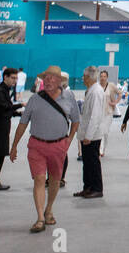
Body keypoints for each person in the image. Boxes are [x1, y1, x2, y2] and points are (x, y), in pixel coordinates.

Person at [8, 65, 79, 232]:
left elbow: (75, 121)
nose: (48, 81)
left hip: (58, 146)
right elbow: (23, 123)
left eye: (52, 78)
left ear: (60, 81)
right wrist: (14, 146)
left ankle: (49, 209)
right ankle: (40, 217)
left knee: (54, 180)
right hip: (37, 146)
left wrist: (68, 140)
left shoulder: (69, 98)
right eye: (45, 78)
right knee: (39, 180)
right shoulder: (35, 99)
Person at [74, 66, 111, 199]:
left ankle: (96, 188)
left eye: (84, 76)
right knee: (87, 163)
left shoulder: (96, 92)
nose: (83, 79)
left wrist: (88, 135)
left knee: (93, 162)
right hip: (87, 133)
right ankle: (88, 187)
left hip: (93, 135)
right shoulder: (91, 90)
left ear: (89, 77)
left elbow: (95, 116)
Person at [0, 67, 23, 190]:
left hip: (3, 127)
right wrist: (20, 105)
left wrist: (20, 114)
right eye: (12, 78)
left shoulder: (4, 90)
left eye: (16, 78)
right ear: (5, 77)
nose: (15, 81)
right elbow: (4, 107)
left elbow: (8, 109)